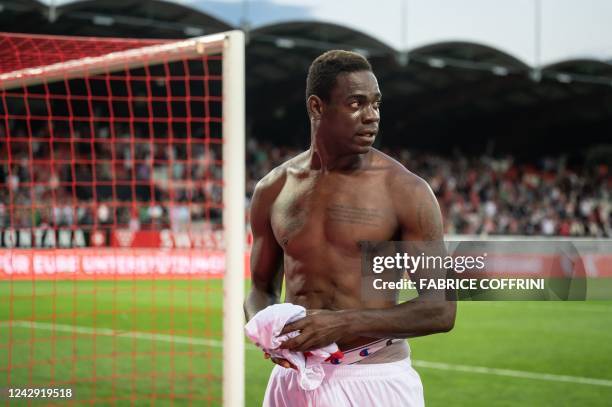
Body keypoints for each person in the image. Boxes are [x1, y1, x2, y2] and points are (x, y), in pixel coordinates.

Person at [244, 50, 456, 406]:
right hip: (292, 380)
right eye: (356, 103)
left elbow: (441, 309)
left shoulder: (405, 191)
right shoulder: (274, 189)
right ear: (317, 107)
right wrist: (266, 332)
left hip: (373, 379)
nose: (371, 116)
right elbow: (260, 289)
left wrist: (340, 324)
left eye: (376, 104)